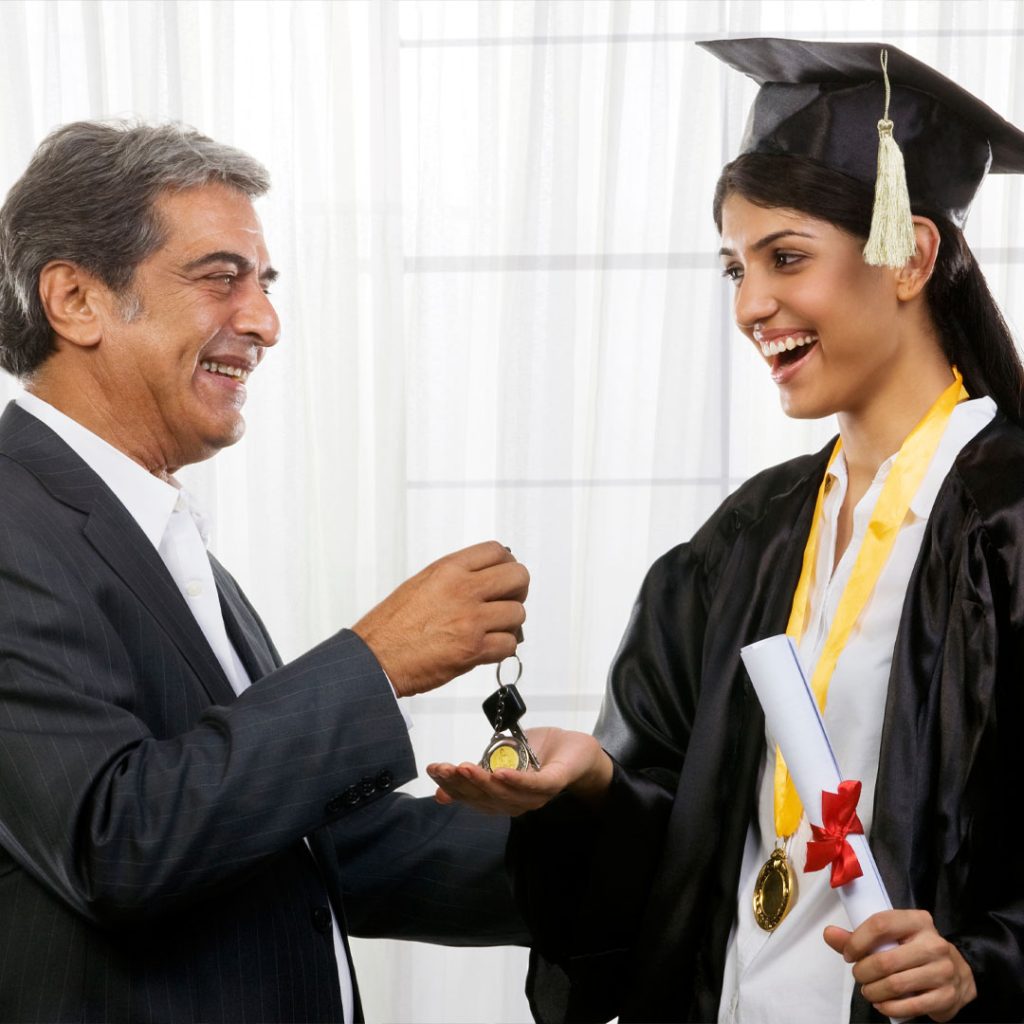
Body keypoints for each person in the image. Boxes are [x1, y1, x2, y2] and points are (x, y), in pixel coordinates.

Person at [429, 38, 1024, 1024]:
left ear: (909, 254)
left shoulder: (1008, 520)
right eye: (734, 267)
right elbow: (667, 837)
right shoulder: (746, 539)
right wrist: (593, 787)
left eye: (786, 257)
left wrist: (984, 964)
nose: (752, 305)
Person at [0, 120, 528, 1022]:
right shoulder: (14, 522)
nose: (265, 321)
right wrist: (375, 662)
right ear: (77, 300)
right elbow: (116, 842)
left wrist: (634, 852)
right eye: (220, 278)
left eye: (265, 283)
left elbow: (321, 847)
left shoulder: (165, 540)